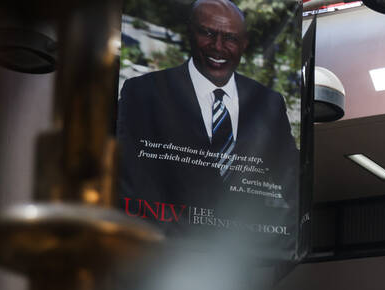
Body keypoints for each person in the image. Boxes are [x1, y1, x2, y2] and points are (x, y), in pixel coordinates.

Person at [117, 0, 298, 246]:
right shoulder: (144, 92)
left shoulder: (269, 103)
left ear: (244, 43)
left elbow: (290, 182)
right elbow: (126, 174)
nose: (218, 47)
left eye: (231, 38)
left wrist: (279, 241)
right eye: (208, 33)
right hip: (159, 251)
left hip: (239, 256)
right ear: (190, 32)